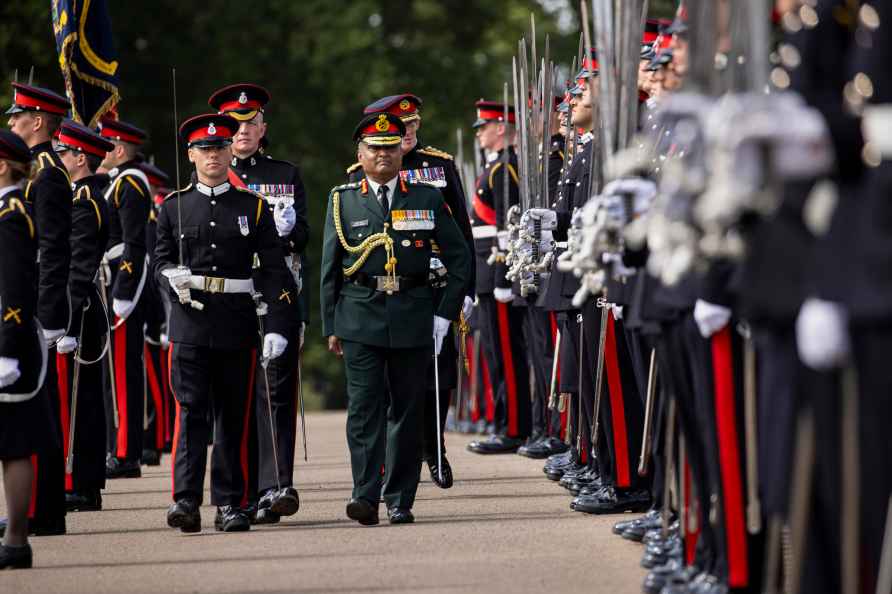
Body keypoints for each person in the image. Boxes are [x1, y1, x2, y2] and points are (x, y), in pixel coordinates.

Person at [320, 111, 469, 525]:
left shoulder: (426, 197)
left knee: (407, 411)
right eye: (374, 148)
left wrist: (445, 314)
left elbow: (460, 261)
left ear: (401, 150)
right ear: (359, 153)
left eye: (389, 147)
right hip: (360, 315)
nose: (382, 154)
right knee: (364, 411)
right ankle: (364, 495)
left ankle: (401, 498)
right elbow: (330, 268)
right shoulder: (342, 199)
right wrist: (330, 325)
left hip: (413, 314)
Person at [154, 113, 295, 533]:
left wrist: (277, 325)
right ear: (191, 155)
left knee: (234, 418)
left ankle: (231, 504)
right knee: (191, 413)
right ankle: (185, 499)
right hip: (190, 322)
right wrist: (168, 276)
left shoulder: (252, 207)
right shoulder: (174, 206)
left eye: (218, 148)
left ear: (230, 151)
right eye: (203, 149)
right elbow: (159, 258)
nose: (212, 155)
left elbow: (274, 269)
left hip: (236, 322)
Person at [347, 93, 476, 488]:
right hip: (392, 281)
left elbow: (463, 232)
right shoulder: (362, 171)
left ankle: (433, 448)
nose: (407, 135)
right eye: (400, 129)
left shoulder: (440, 166)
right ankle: (392, 454)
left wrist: (467, 289)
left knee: (438, 372)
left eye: (412, 127)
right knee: (390, 377)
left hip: (436, 281)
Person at [208, 83, 308, 523]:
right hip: (231, 296)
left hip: (274, 290)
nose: (243, 130)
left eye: (250, 123)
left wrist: (288, 228)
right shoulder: (213, 179)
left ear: (263, 128)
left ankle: (277, 484)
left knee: (276, 391)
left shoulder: (285, 174)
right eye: (236, 125)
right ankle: (242, 491)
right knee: (234, 394)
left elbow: (305, 235)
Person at [2, 82, 73, 538]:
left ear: (39, 122)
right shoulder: (42, 171)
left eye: (18, 116)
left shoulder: (46, 174)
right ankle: (42, 509)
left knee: (38, 417)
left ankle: (44, 511)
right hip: (33, 301)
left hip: (37, 308)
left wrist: (48, 316)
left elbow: (52, 250)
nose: (11, 122)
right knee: (39, 413)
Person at [466, 100, 533, 455]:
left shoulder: (505, 169)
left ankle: (515, 427)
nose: (480, 133)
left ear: (502, 129)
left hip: (498, 271)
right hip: (485, 272)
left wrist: (505, 277)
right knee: (495, 352)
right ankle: (504, 421)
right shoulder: (493, 168)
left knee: (508, 352)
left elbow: (508, 226)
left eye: (485, 126)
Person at [55, 120, 114, 511]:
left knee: (77, 399)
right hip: (84, 305)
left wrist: (68, 323)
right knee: (86, 397)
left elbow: (78, 266)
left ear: (80, 157)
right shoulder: (83, 196)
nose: (58, 158)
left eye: (63, 152)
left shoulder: (83, 201)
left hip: (79, 307)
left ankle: (78, 480)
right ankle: (86, 483)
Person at [0, 129, 46, 569]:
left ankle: (16, 538)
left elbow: (15, 292)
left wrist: (7, 352)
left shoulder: (12, 215)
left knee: (13, 443)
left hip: (7, 346)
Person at [97, 118, 152, 479]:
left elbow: (134, 242)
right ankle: (119, 445)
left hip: (121, 283)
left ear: (118, 149)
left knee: (123, 373)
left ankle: (126, 451)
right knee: (114, 373)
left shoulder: (130, 183)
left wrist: (123, 291)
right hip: (111, 279)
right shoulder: (117, 183)